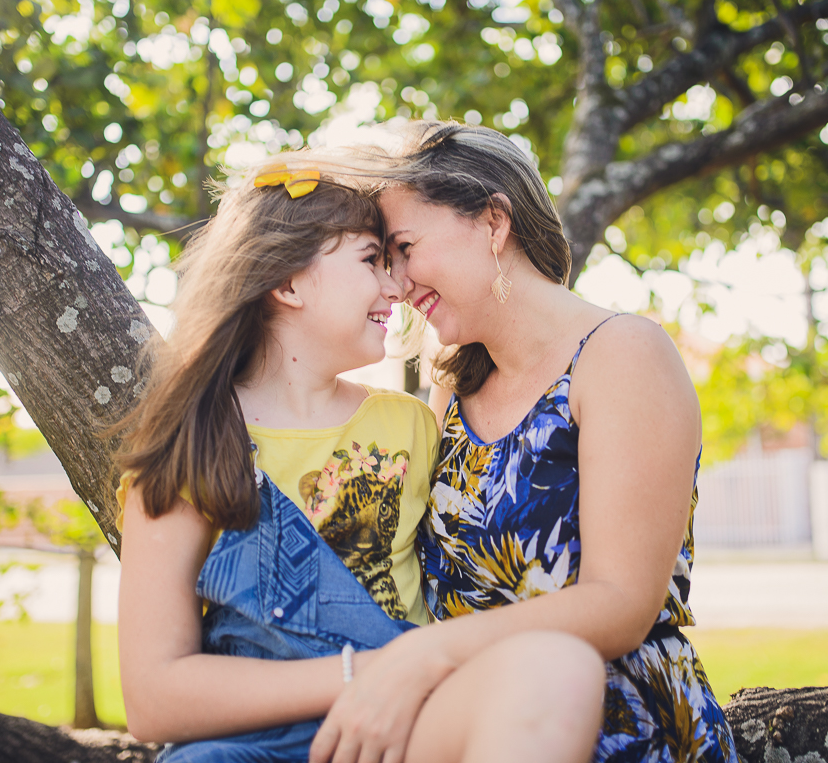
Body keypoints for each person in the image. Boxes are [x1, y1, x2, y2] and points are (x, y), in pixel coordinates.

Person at [109, 153, 605, 763]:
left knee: (559, 669)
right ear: (288, 283)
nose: (398, 288)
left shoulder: (411, 426)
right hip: (256, 741)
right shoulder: (193, 444)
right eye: (372, 260)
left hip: (406, 728)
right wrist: (368, 672)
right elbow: (153, 698)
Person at [307, 123, 738, 763]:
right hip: (467, 722)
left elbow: (621, 604)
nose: (395, 284)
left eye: (404, 248)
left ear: (493, 221)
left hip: (617, 724)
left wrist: (425, 655)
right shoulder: (452, 382)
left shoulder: (624, 354)